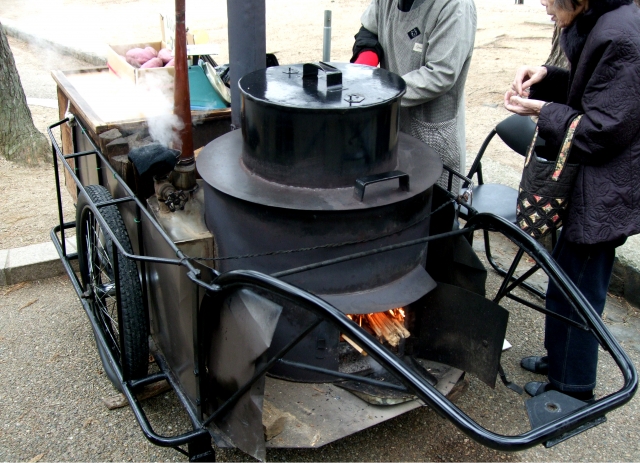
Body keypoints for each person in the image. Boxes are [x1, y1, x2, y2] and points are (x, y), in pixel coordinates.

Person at [504, 0, 640, 401]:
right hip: (592, 186)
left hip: (604, 192)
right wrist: (546, 77)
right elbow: (592, 90)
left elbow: (601, 129)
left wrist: (541, 110)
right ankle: (559, 359)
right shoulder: (602, 21)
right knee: (564, 282)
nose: (543, 5)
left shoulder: (621, 36)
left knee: (579, 291)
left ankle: (573, 389)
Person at [351, 0, 477, 191]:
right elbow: (369, 31)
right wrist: (365, 63)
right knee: (391, 196)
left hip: (431, 132)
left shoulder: (455, 6)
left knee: (431, 209)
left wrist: (378, 92)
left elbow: (440, 73)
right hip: (393, 123)